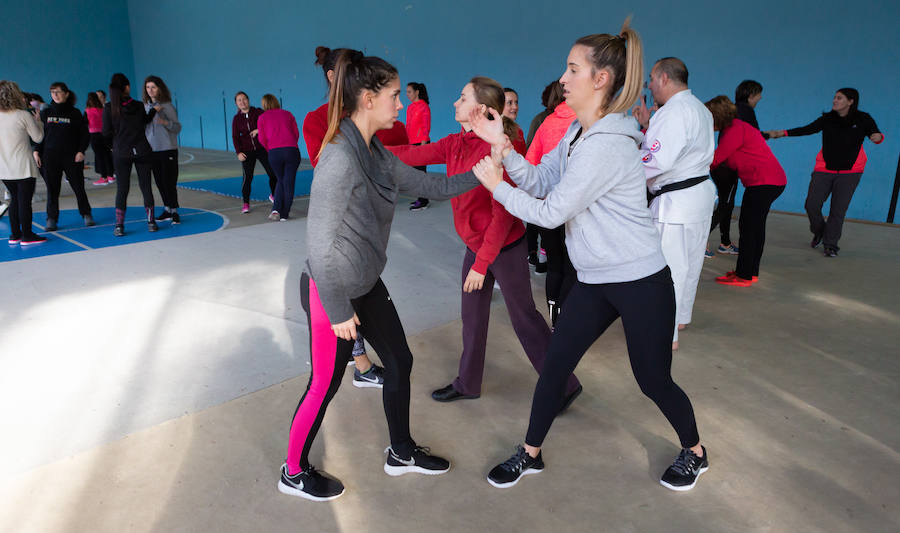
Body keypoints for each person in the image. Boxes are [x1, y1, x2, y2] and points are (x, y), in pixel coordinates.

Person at [469, 20, 708, 492]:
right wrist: (503, 148)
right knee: (556, 364)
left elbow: (552, 213)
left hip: (641, 280)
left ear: (601, 79)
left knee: (653, 379)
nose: (563, 76)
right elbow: (540, 180)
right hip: (596, 278)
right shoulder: (579, 134)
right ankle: (530, 453)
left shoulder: (608, 144)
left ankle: (695, 451)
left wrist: (497, 187)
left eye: (572, 68)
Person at [279, 50, 480, 501]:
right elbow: (319, 245)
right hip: (331, 291)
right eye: (394, 95)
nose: (401, 104)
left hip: (366, 282)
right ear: (367, 99)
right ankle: (292, 471)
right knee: (324, 385)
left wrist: (481, 175)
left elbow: (429, 185)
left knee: (400, 362)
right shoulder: (339, 159)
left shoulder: (373, 151)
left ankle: (401, 452)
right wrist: (336, 310)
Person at [388, 76, 581, 404]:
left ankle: (564, 386)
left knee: (524, 319)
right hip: (476, 247)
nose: (454, 103)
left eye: (462, 98)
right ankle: (468, 383)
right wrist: (364, 147)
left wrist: (481, 265)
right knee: (473, 318)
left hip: (504, 248)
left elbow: (503, 217)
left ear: (481, 109)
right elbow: (409, 153)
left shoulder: (498, 149)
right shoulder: (454, 143)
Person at [302, 45, 387, 389]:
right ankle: (359, 363)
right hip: (339, 230)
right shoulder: (317, 120)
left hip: (368, 227)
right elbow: (329, 163)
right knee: (344, 301)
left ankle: (359, 362)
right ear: (333, 77)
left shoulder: (370, 109)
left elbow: (401, 143)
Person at [632, 57, 717, 351]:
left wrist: (623, 170)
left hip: (676, 202)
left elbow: (657, 160)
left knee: (668, 270)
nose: (650, 87)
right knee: (690, 263)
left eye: (651, 81)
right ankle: (680, 318)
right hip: (698, 196)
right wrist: (647, 125)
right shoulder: (700, 109)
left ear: (664, 78)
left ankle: (664, 334)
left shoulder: (673, 112)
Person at [765, 88, 883, 257]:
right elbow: (808, 129)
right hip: (824, 169)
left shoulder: (863, 118)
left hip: (851, 172)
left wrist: (877, 137)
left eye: (839, 98)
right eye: (834, 97)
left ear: (851, 101)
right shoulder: (828, 119)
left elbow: (875, 132)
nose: (835, 100)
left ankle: (831, 244)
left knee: (838, 210)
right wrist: (781, 133)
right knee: (811, 204)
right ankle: (819, 231)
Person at [706, 96, 786, 286]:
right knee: (756, 228)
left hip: (763, 183)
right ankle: (750, 272)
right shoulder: (734, 128)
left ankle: (744, 276)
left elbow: (715, 160)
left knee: (749, 228)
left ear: (718, 116)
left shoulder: (734, 129)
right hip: (768, 182)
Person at [525, 97, 578, 327]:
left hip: (546, 207)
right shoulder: (584, 122)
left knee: (555, 266)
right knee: (573, 269)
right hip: (573, 208)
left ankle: (555, 321)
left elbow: (531, 162)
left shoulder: (546, 122)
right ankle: (567, 322)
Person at [103, 73, 158, 237]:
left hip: (122, 152)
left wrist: (114, 144)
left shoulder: (109, 108)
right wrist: (154, 111)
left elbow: (105, 132)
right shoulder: (138, 105)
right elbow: (144, 121)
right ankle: (151, 223)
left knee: (122, 189)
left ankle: (119, 226)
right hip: (142, 150)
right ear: (127, 87)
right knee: (146, 186)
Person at [32, 82, 93, 230]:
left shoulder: (75, 113)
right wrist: (36, 150)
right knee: (52, 189)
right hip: (50, 157)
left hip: (72, 157)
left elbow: (84, 135)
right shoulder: (46, 113)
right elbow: (41, 134)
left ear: (66, 93)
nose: (55, 95)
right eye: (52, 92)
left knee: (78, 187)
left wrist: (81, 151)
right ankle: (51, 218)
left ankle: (86, 214)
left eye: (58, 92)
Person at [0, 80, 46, 244]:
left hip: (4, 168)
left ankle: (15, 235)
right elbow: (38, 137)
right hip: (23, 167)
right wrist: (39, 122)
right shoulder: (23, 115)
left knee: (14, 200)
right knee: (24, 202)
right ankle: (27, 235)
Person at [143, 76, 182, 223]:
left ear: (159, 88)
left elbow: (177, 127)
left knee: (169, 181)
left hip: (168, 149)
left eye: (153, 87)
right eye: (148, 87)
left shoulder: (168, 106)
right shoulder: (145, 107)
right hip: (152, 151)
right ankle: (167, 208)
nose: (150, 90)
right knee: (159, 182)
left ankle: (174, 211)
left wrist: (165, 122)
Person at [232, 91, 277, 214]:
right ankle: (246, 203)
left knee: (272, 173)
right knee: (247, 178)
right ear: (236, 104)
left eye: (244, 99)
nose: (242, 102)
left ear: (248, 100)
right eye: (239, 100)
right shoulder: (236, 119)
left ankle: (274, 195)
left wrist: (258, 130)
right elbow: (235, 137)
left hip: (262, 148)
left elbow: (268, 123)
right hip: (247, 151)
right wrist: (238, 153)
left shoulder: (258, 112)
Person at [257, 94, 300, 221]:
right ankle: (284, 214)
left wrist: (271, 149)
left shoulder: (262, 117)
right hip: (291, 150)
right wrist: (290, 144)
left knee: (280, 180)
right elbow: (296, 134)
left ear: (264, 104)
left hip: (274, 153)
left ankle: (276, 210)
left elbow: (262, 139)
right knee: (288, 182)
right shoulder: (288, 114)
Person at [405, 81, 431, 211]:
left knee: (421, 174)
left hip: (421, 144)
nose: (407, 94)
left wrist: (423, 146)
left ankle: (424, 201)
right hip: (411, 144)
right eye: (407, 92)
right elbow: (408, 127)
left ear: (417, 92)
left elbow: (426, 128)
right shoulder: (410, 107)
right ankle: (420, 198)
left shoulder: (424, 107)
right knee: (415, 174)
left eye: (409, 91)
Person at [85, 92, 114, 185]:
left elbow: (84, 124)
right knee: (107, 156)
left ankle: (103, 177)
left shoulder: (87, 111)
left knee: (100, 157)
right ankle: (110, 176)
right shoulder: (103, 109)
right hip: (105, 135)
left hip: (94, 136)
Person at [502, 87, 527, 154]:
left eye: (516, 103)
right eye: (509, 103)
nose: (515, 107)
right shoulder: (492, 131)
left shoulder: (518, 132)